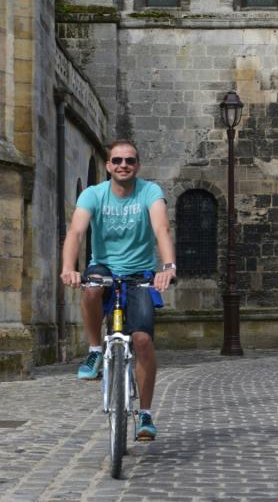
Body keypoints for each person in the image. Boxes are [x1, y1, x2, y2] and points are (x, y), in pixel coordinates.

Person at [60, 139, 177, 440]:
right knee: (91, 288)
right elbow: (75, 231)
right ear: (108, 165)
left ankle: (146, 413)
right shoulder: (93, 194)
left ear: (137, 165)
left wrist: (168, 266)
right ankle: (95, 350)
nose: (123, 165)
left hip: (139, 274)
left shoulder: (150, 192)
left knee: (141, 341)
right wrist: (69, 268)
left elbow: (161, 229)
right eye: (117, 160)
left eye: (130, 161)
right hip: (105, 268)